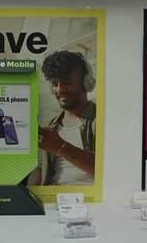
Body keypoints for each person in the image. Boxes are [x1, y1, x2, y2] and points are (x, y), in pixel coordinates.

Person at [27, 50, 96, 186]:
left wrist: (60, 146)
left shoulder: (100, 119)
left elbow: (108, 167)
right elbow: (41, 171)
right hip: (53, 194)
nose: (59, 89)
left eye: (67, 82)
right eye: (54, 84)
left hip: (86, 195)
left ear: (86, 82)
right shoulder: (52, 126)